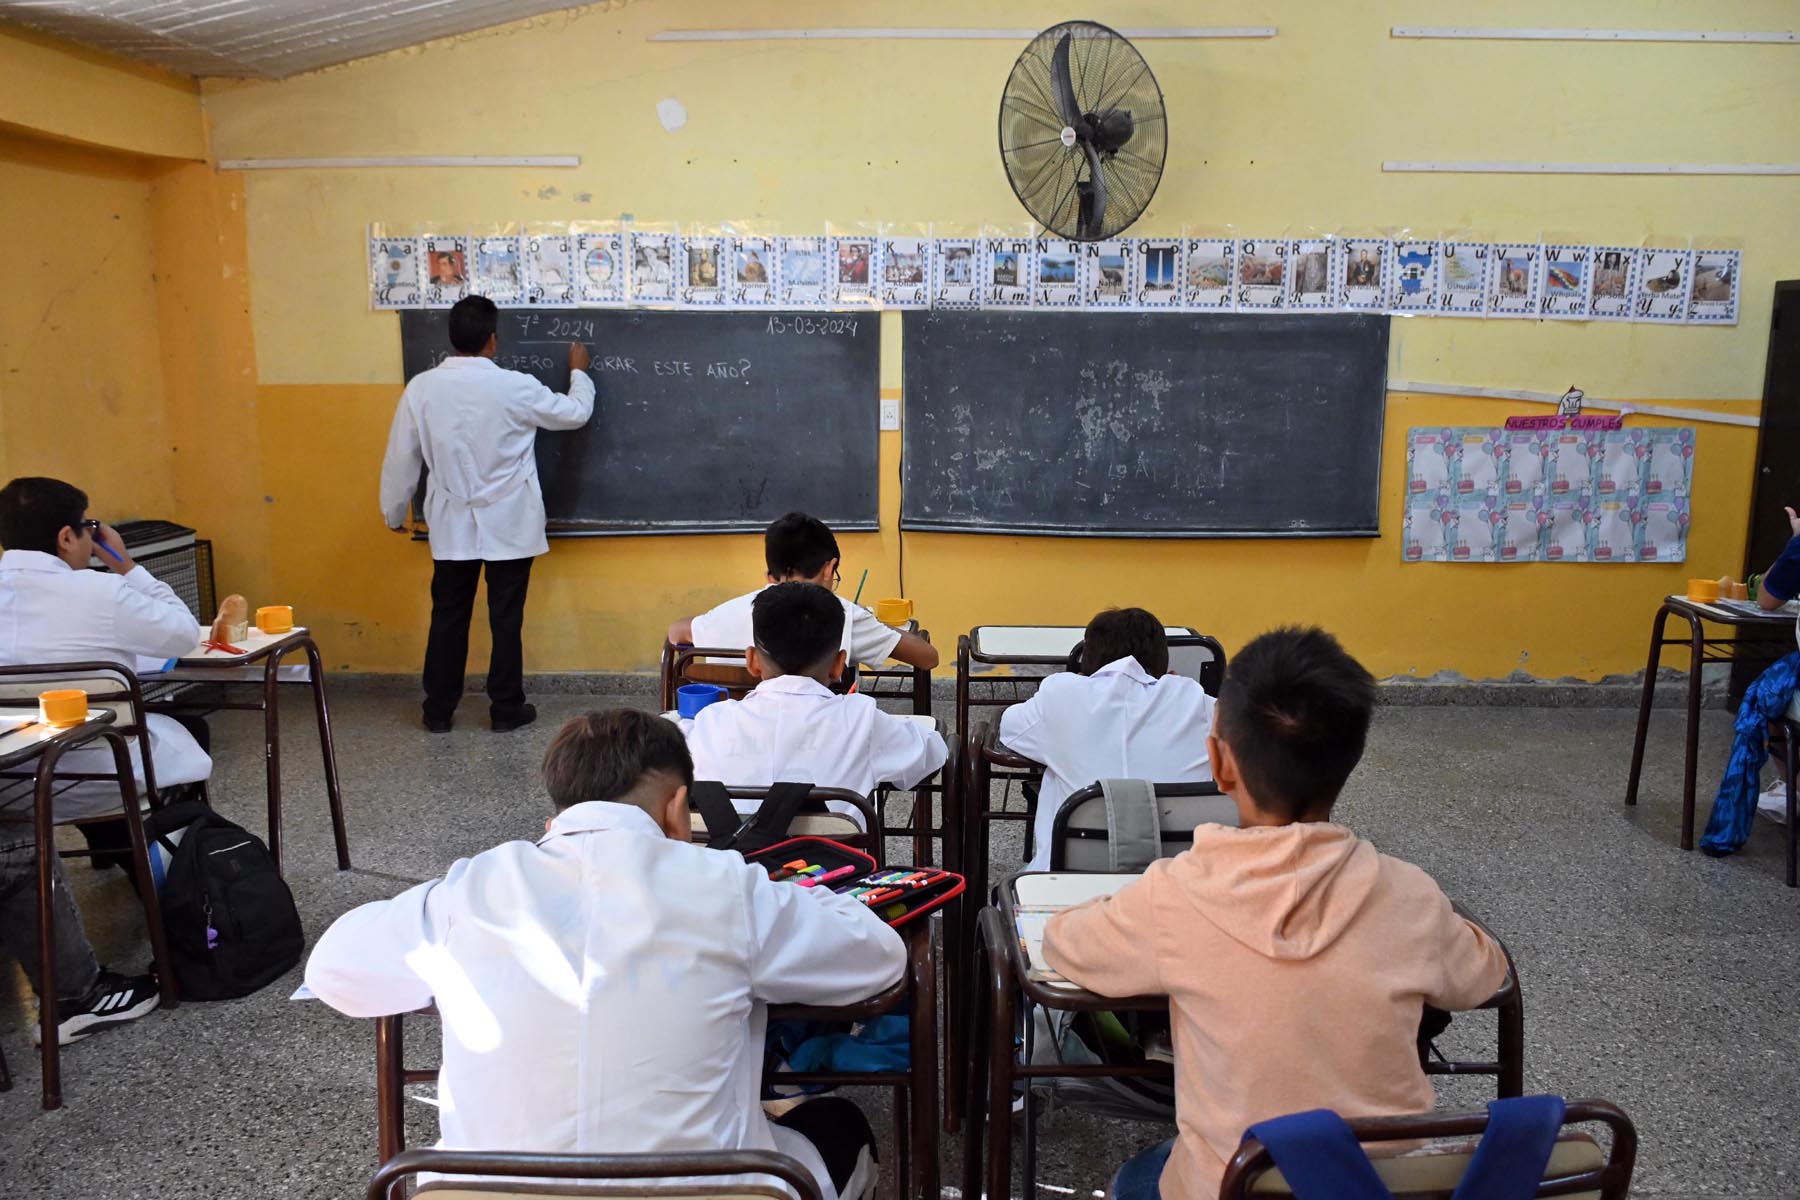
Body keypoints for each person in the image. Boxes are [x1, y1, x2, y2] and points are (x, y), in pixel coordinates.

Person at [305, 708, 903, 1200]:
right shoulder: (727, 885)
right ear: (678, 808)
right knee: (839, 1126)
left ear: (555, 817)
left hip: (484, 1193)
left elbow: (332, 969)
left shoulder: (471, 888)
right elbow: (879, 958)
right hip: (705, 1193)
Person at [1042, 627, 1511, 1200]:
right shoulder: (1409, 895)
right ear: (1350, 760)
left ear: (1219, 761)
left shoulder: (1175, 895)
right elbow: (1485, 975)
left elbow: (1067, 944)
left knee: (1137, 1179)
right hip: (1381, 1186)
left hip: (1235, 1182)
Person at [0, 476, 196, 1042]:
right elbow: (183, 635)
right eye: (86, 530)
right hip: (96, 774)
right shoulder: (100, 592)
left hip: (12, 778)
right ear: (67, 536)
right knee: (184, 742)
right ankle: (177, 899)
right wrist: (129, 566)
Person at [379, 295, 595, 733]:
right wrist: (579, 372)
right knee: (506, 617)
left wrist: (393, 510)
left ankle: (438, 711)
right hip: (510, 521)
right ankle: (505, 709)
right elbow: (575, 414)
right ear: (492, 341)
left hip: (452, 521)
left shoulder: (421, 387)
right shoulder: (515, 386)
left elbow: (402, 456)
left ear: (451, 338)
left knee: (448, 615)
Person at [686, 582, 947, 828]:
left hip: (733, 868)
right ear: (838, 664)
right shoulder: (862, 720)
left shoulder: (710, 723)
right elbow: (932, 755)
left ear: (752, 660)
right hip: (834, 873)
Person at [999, 607, 1214, 871]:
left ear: (1086, 657)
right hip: (1181, 876)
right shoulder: (1195, 699)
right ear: (1163, 659)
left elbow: (1009, 728)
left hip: (1067, 879)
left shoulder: (1062, 693)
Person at [668, 511, 938, 673]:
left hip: (738, 745)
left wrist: (706, 622)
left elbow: (676, 632)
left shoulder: (725, 615)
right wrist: (873, 622)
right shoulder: (845, 617)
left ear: (770, 576)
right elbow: (927, 658)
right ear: (829, 570)